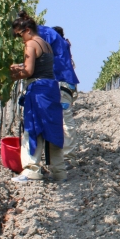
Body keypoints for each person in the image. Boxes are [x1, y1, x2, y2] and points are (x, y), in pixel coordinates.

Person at [9, 11, 65, 182]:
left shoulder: (31, 44)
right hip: (51, 89)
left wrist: (12, 73)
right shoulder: (45, 44)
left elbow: (29, 71)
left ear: (27, 30)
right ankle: (59, 171)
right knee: (53, 128)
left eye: (20, 35)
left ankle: (31, 169)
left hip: (39, 90)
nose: (21, 40)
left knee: (33, 128)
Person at [39, 25, 79, 158]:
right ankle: (66, 156)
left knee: (60, 121)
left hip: (58, 86)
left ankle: (63, 157)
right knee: (65, 121)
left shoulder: (55, 48)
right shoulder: (65, 46)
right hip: (66, 87)